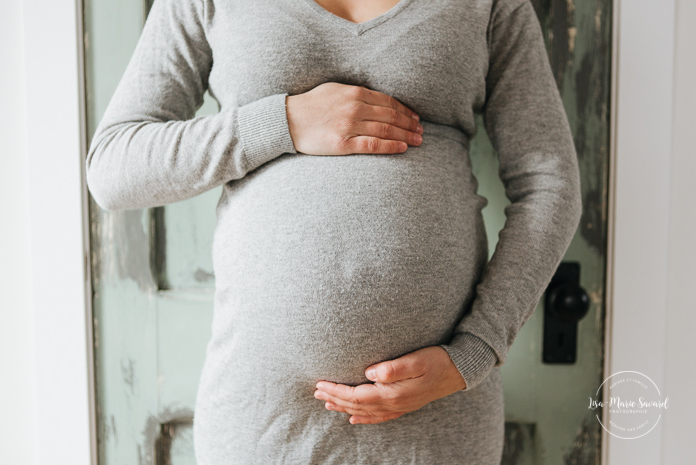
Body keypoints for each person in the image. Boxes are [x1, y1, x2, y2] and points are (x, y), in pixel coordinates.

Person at [85, 0, 582, 463]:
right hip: (263, 420)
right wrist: (282, 122)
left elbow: (550, 183)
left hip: (438, 421)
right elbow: (115, 167)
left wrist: (474, 353)